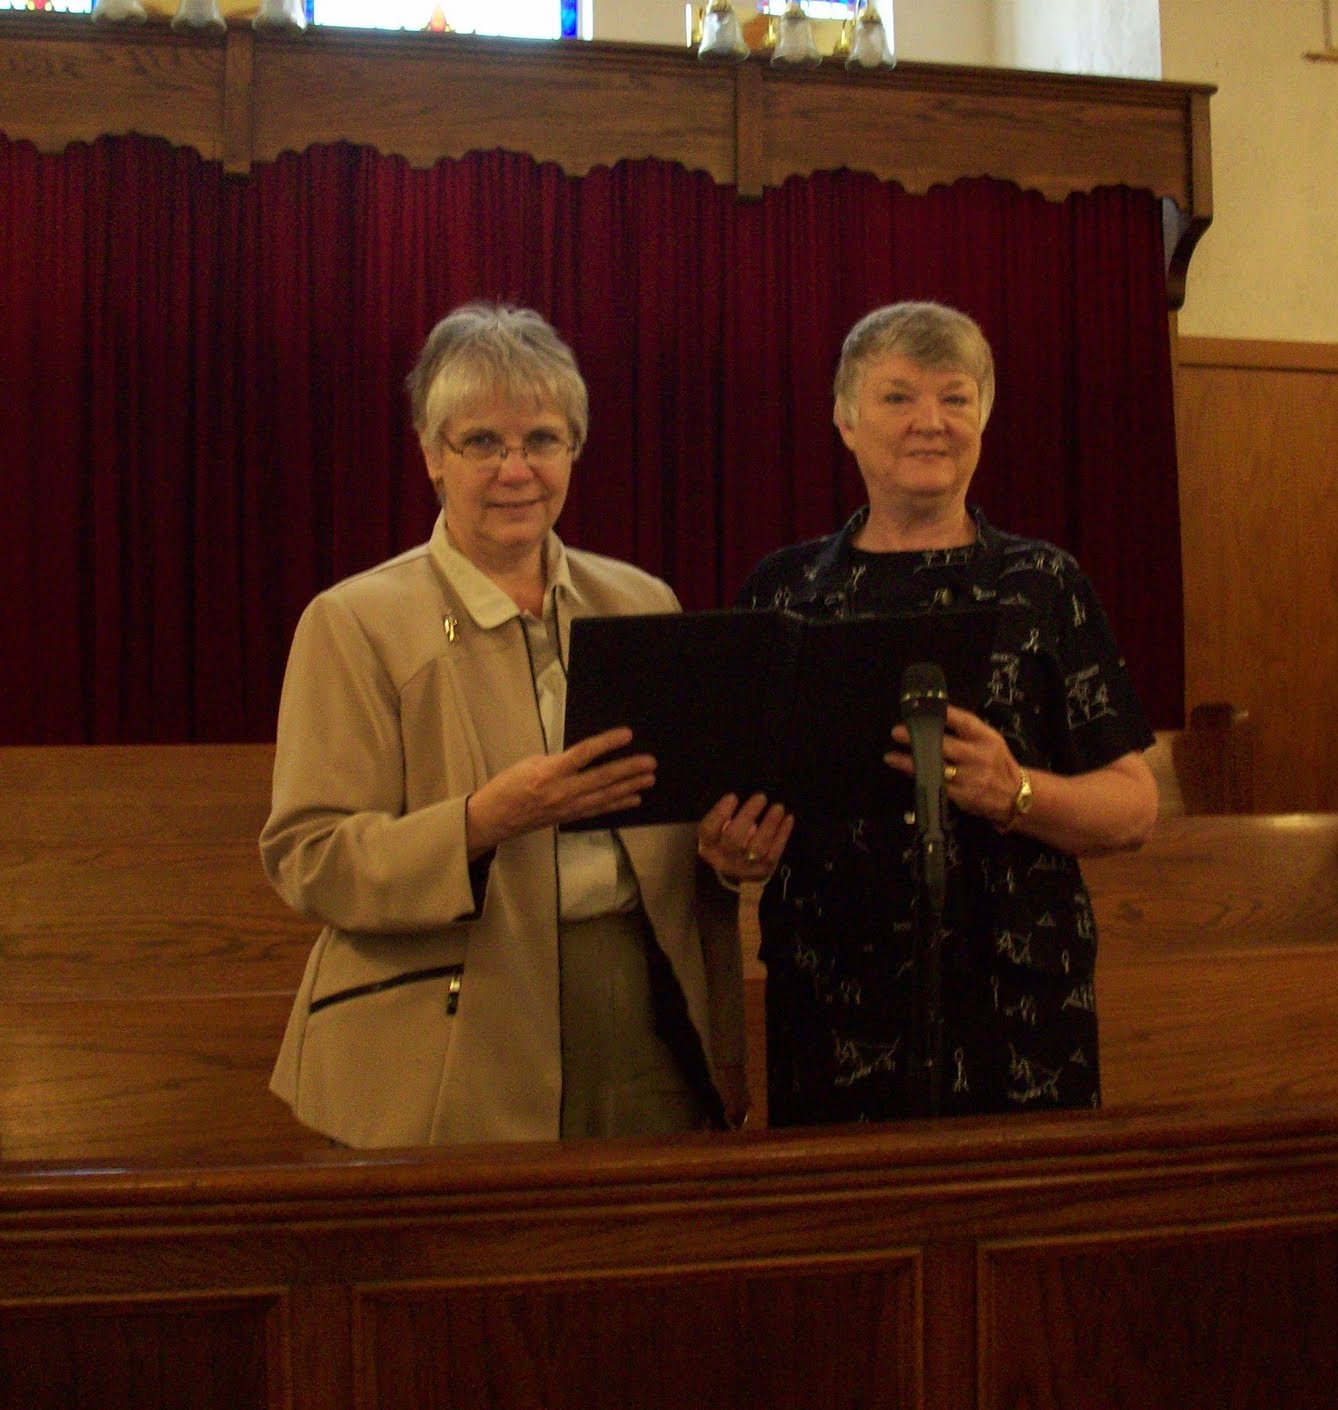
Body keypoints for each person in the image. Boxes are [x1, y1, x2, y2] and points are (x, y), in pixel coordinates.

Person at [262, 302, 792, 1148]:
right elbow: (310, 858)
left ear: (574, 449)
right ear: (432, 455)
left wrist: (726, 854)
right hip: (453, 1038)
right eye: (482, 442)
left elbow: (678, 827)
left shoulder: (642, 601)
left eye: (542, 439)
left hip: (647, 1013)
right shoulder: (354, 621)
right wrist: (483, 820)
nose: (516, 469)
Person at [738, 300, 1158, 1127]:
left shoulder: (1044, 583)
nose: (930, 421)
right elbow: (735, 805)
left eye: (955, 397)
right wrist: (733, 847)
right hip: (833, 1006)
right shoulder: (782, 592)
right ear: (846, 420)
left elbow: (1135, 808)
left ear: (984, 417)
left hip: (1018, 1006)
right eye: (898, 396)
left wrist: (1016, 791)